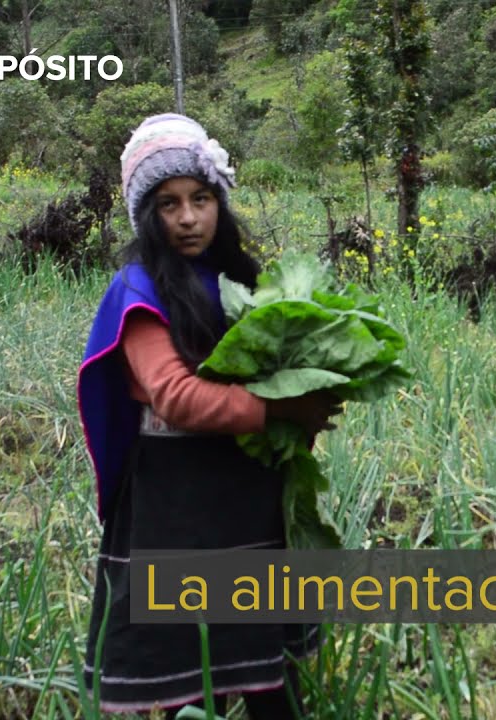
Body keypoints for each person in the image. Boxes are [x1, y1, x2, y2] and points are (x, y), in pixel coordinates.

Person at [77, 113, 341, 719]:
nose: (188, 217)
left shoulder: (237, 282)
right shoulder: (138, 289)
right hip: (180, 503)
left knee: (265, 668)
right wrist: (282, 408)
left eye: (201, 198)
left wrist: (310, 407)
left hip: (247, 496)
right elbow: (175, 397)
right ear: (147, 215)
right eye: (168, 204)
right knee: (186, 674)